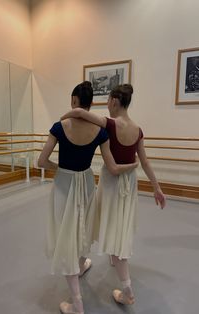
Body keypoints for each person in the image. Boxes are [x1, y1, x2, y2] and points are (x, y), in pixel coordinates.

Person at [61, 83, 166, 305]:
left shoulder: (109, 123)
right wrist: (157, 187)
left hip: (111, 184)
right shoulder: (137, 129)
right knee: (116, 225)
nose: (107, 105)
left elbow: (80, 112)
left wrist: (65, 117)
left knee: (96, 223)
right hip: (129, 183)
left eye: (108, 100)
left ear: (115, 102)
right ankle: (89, 262)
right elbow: (144, 161)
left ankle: (127, 291)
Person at [38, 81, 138, 314]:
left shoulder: (59, 127)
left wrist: (58, 169)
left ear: (73, 101)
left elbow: (41, 162)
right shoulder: (100, 132)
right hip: (86, 182)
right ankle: (82, 265)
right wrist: (133, 165)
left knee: (65, 236)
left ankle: (77, 303)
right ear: (91, 104)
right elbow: (112, 165)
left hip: (64, 183)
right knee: (82, 227)